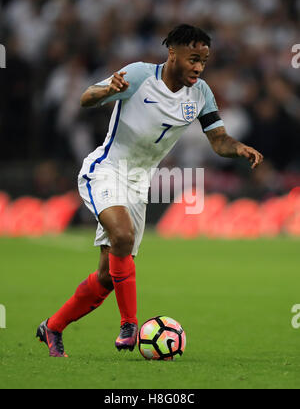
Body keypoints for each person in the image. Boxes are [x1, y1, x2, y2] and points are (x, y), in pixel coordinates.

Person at [36, 24, 263, 357]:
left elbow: (218, 140)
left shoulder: (200, 93)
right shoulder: (140, 75)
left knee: (107, 276)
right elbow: (86, 99)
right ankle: (129, 325)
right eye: (193, 58)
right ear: (173, 52)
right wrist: (105, 91)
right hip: (107, 170)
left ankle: (52, 327)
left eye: (204, 60)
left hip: (140, 183)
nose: (199, 67)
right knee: (123, 237)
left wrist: (238, 148)